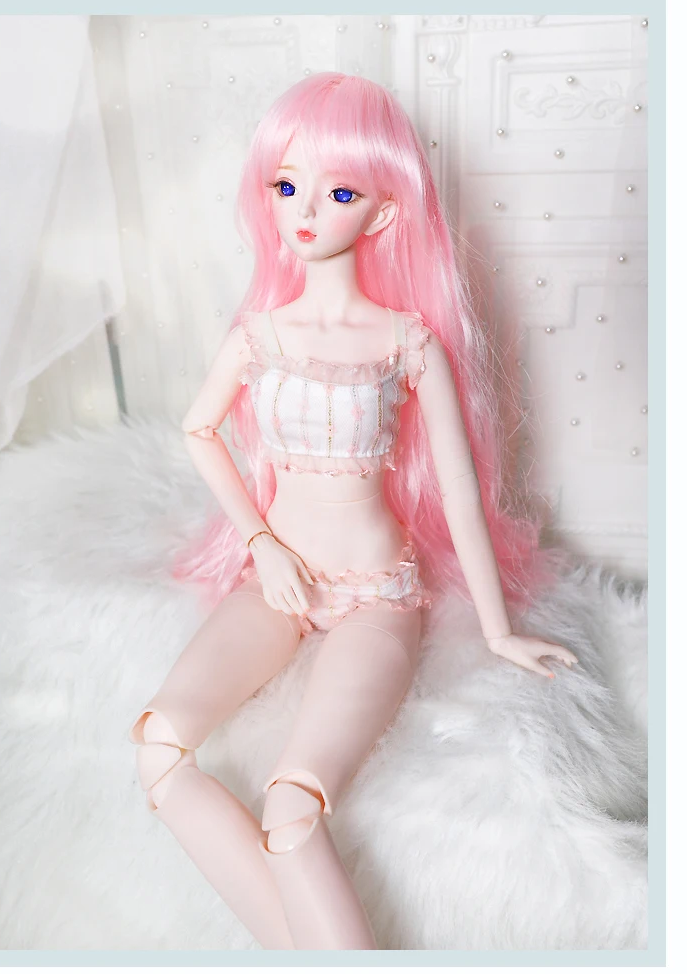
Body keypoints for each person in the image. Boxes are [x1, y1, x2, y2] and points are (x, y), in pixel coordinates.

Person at [128, 72, 578, 951]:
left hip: (377, 593)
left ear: (381, 213)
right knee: (158, 745)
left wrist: (496, 632)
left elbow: (461, 489)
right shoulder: (259, 335)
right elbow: (198, 429)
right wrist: (261, 542)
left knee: (292, 805)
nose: (304, 211)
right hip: (277, 582)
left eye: (338, 192)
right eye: (285, 184)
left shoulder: (408, 341)